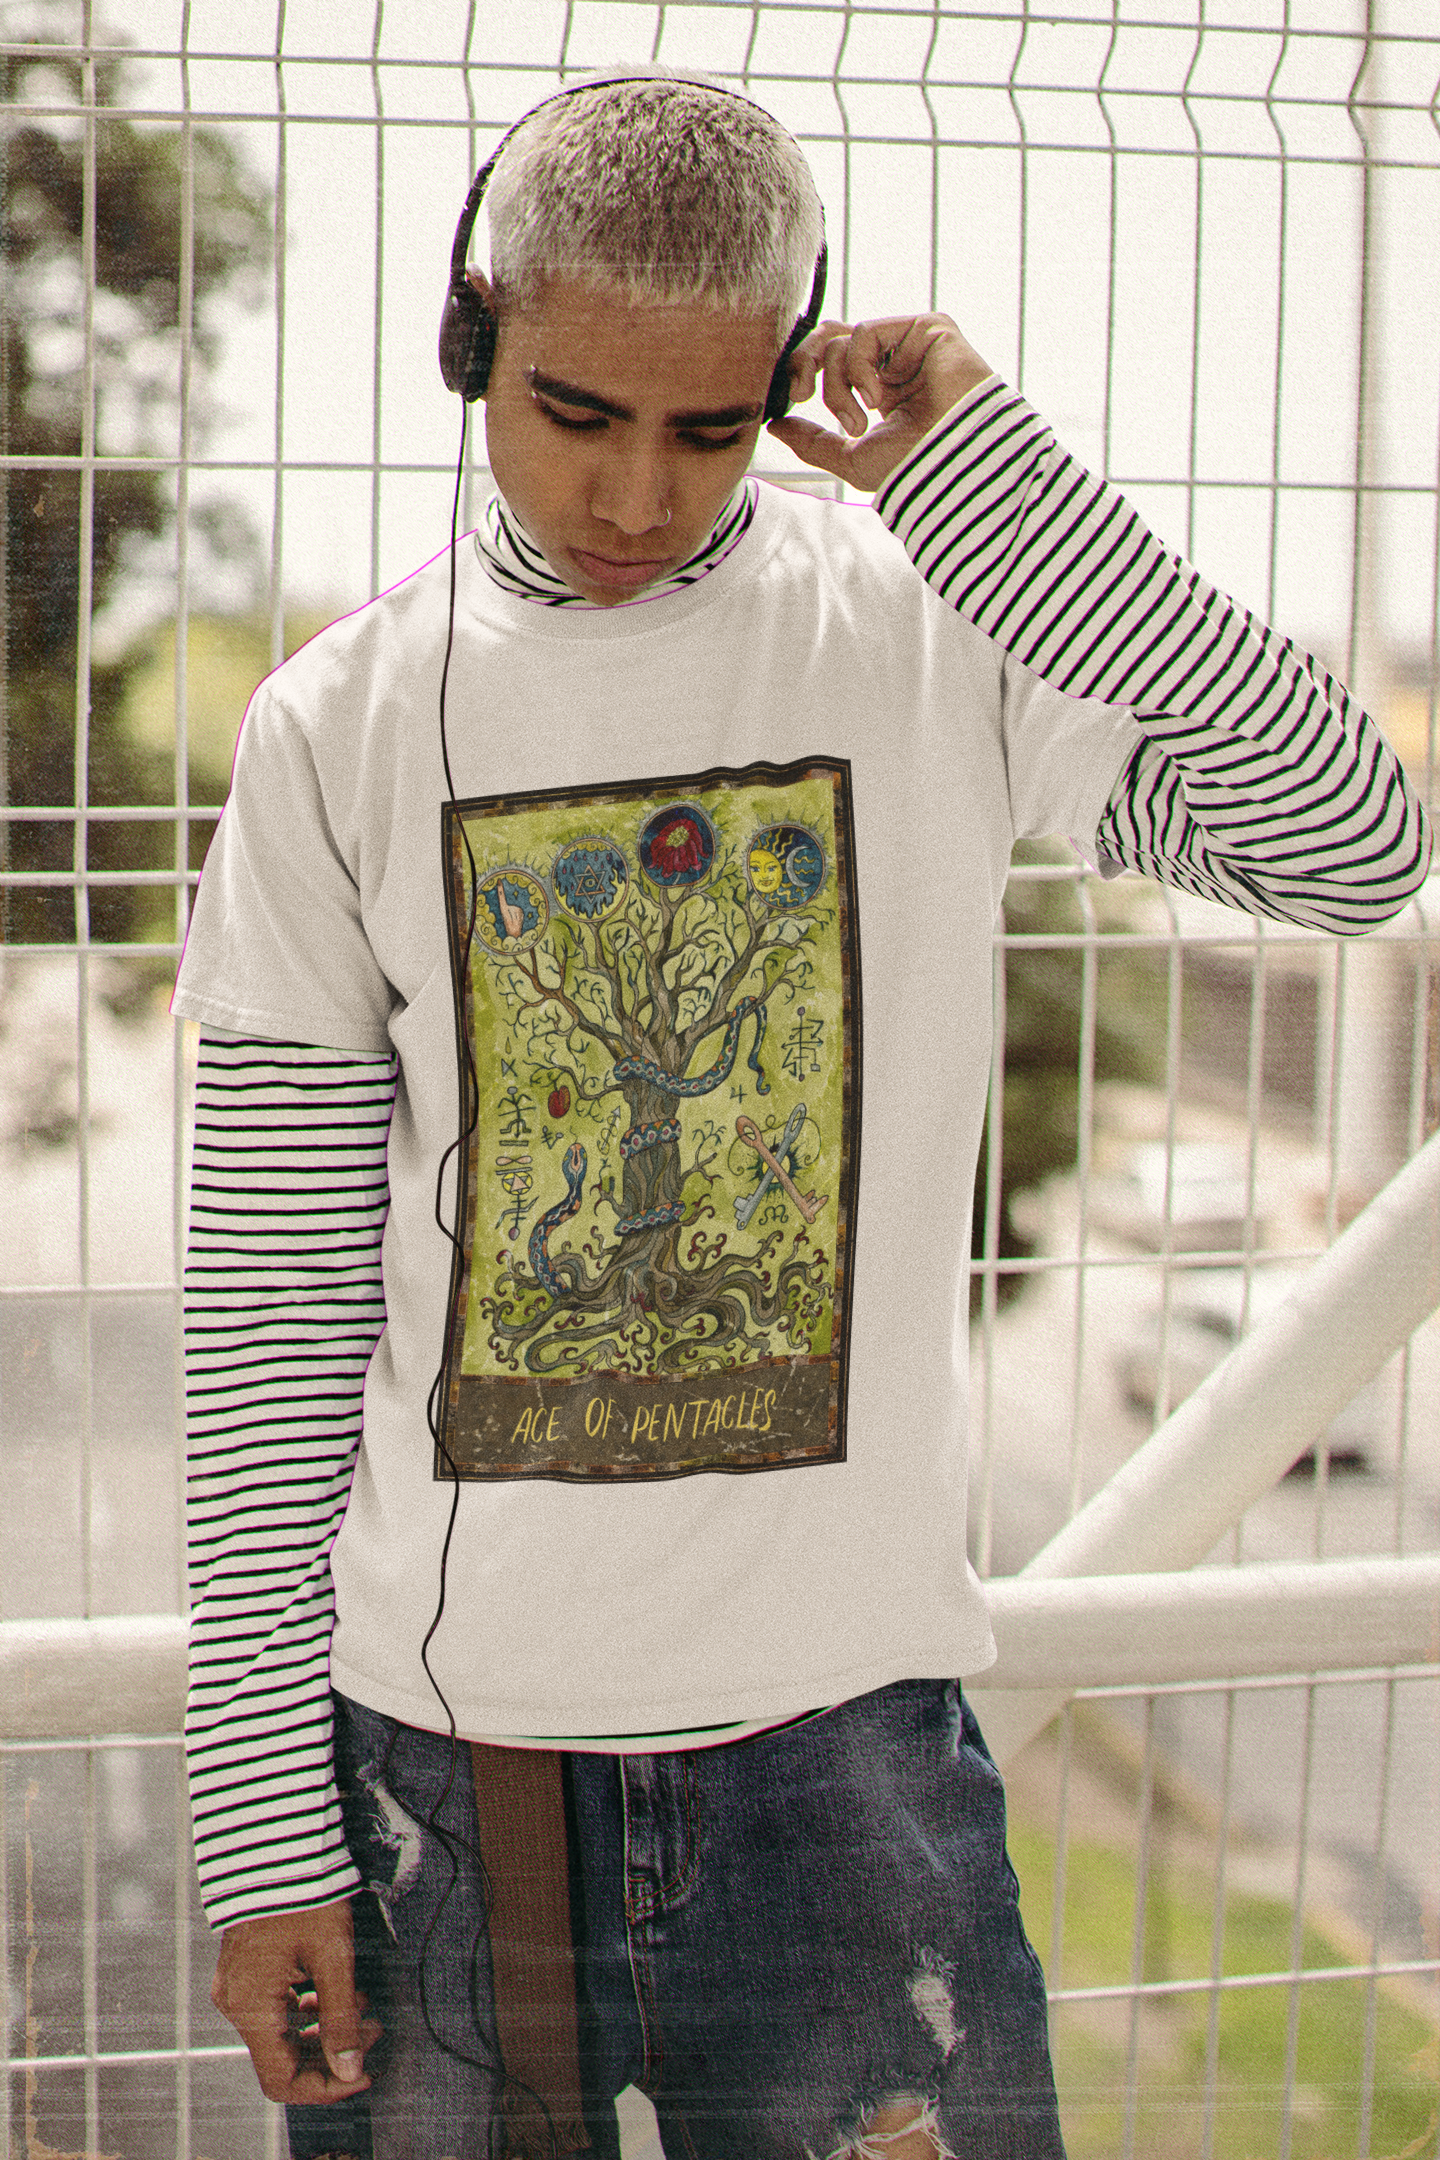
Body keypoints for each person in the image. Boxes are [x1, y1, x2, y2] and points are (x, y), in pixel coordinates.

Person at [172, 67, 1429, 2160]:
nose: (637, 496)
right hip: (446, 1788)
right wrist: (254, 1833)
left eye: (706, 426)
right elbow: (277, 1307)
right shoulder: (337, 730)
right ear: (471, 338)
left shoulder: (938, 622)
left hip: (847, 1769)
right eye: (575, 412)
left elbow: (1356, 847)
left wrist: (1001, 492)